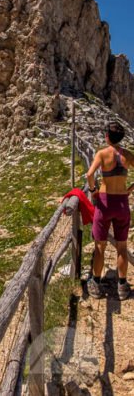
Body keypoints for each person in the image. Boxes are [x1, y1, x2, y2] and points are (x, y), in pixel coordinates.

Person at [86, 121, 133, 300]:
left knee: (100, 246)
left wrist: (92, 190)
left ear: (107, 136)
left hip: (105, 202)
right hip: (122, 202)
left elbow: (90, 175)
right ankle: (122, 286)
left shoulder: (103, 153)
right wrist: (129, 189)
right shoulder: (128, 155)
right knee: (122, 246)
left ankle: (96, 283)